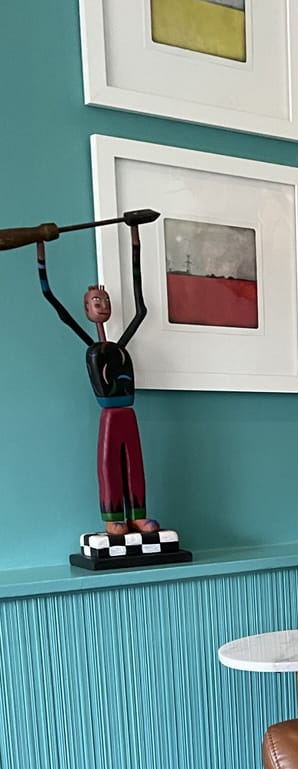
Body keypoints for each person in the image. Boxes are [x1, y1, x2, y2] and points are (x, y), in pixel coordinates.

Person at [37, 221, 159, 536]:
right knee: (109, 466)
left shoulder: (119, 345)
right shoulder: (91, 346)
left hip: (128, 413)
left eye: (104, 301)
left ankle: (138, 515)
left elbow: (141, 309)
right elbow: (52, 300)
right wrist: (41, 250)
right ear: (85, 309)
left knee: (136, 464)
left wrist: (135, 238)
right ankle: (113, 517)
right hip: (110, 415)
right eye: (95, 301)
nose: (102, 305)